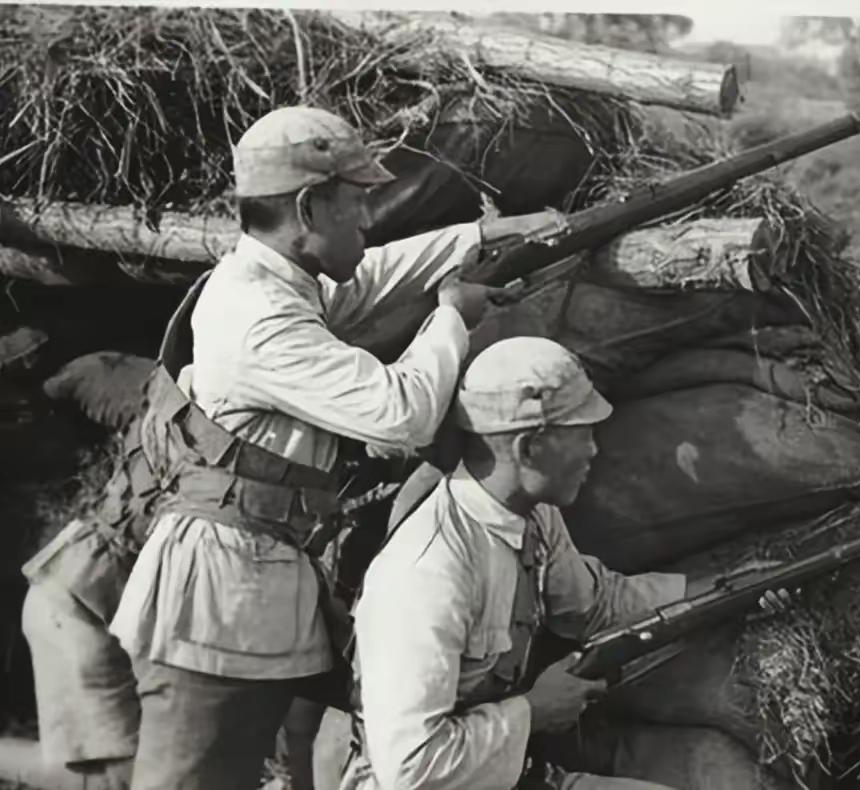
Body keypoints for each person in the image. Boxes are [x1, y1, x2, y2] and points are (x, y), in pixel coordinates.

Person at [92, 104, 559, 790]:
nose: (367, 219)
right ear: (309, 207)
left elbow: (367, 278)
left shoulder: (275, 283)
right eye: (356, 201)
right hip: (218, 601)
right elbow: (401, 416)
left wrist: (480, 235)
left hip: (247, 588)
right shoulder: (258, 316)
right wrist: (451, 318)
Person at [340, 336, 792, 790]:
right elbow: (410, 768)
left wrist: (730, 589)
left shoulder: (533, 515)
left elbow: (597, 605)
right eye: (582, 434)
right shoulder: (428, 573)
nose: (594, 450)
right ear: (529, 448)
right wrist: (534, 712)